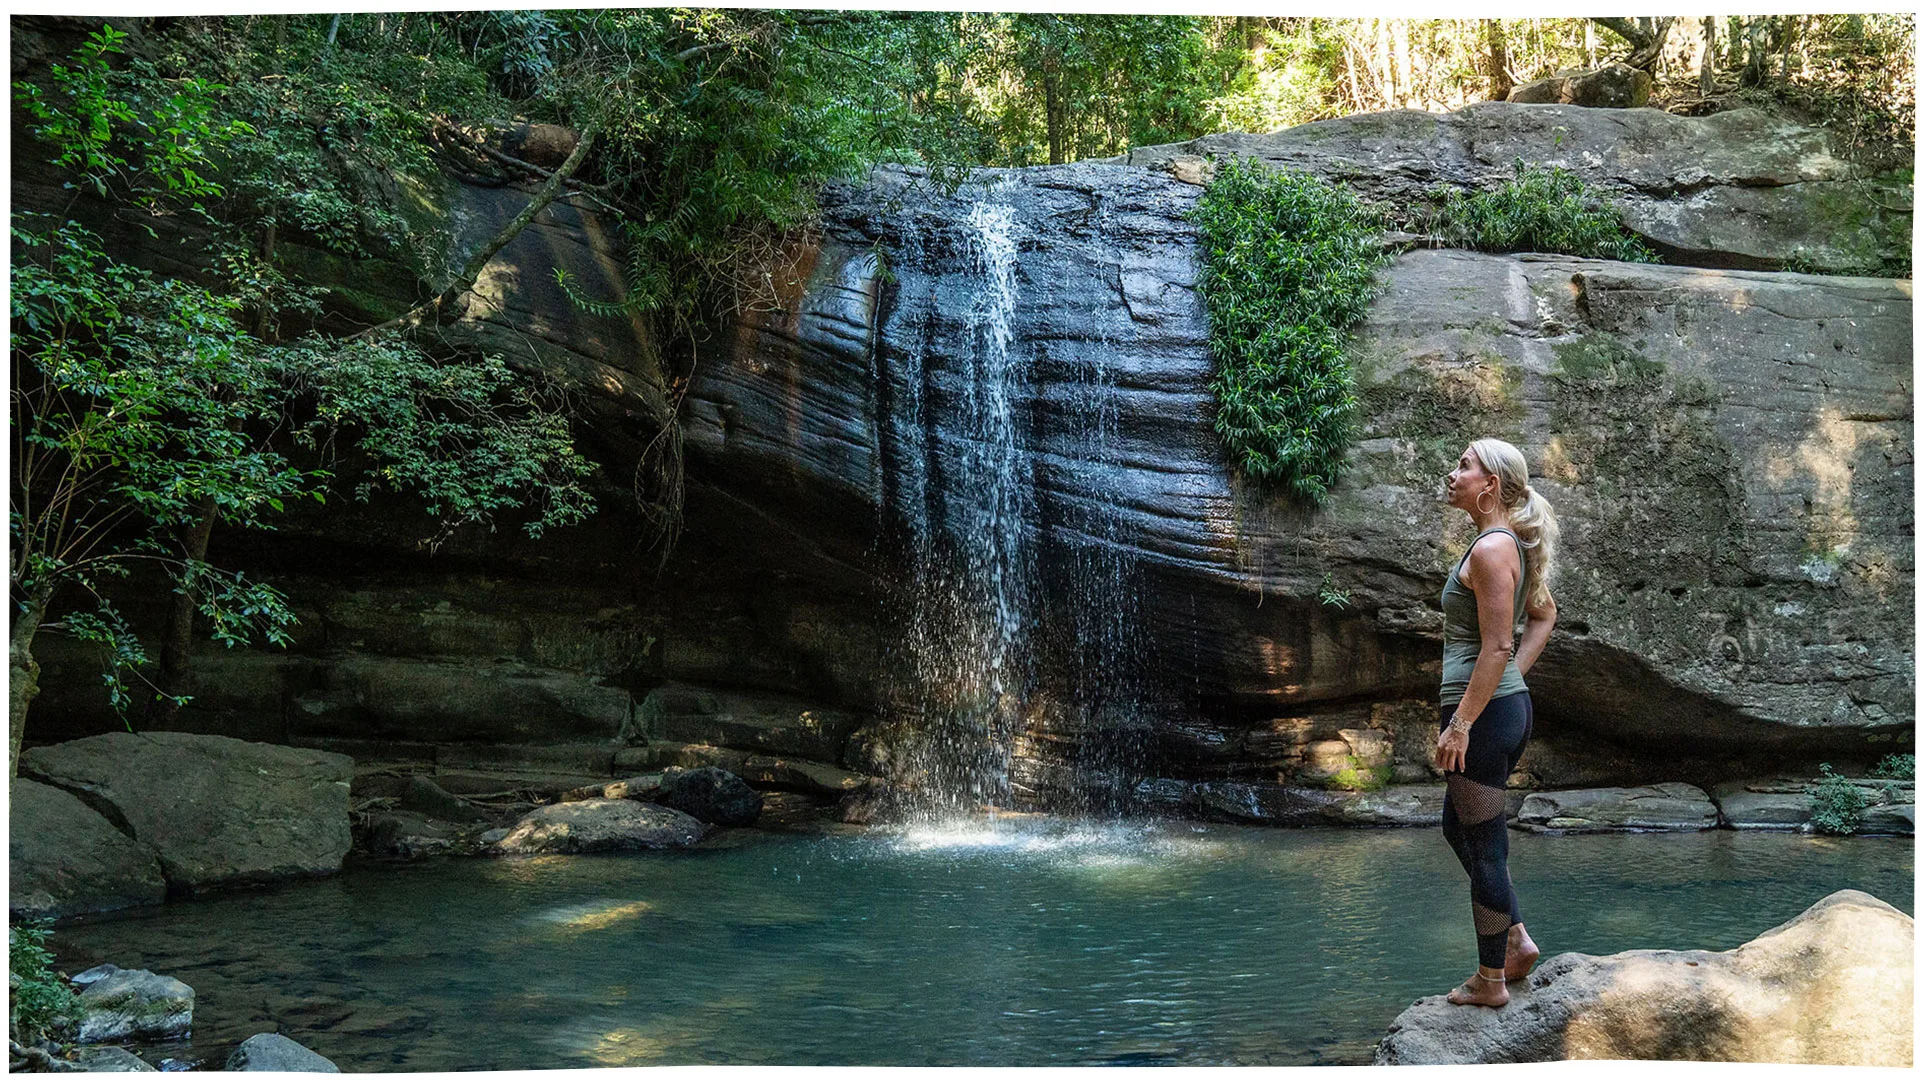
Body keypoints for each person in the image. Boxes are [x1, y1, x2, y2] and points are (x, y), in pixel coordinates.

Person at [1433, 438, 1560, 1008]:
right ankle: (1515, 938)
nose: (1454, 472)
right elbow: (1544, 616)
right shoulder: (1510, 544)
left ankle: (1491, 980)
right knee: (1458, 827)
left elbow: (1494, 647)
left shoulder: (1490, 550)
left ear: (1491, 485)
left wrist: (1460, 723)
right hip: (1503, 707)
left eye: (1466, 465)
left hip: (1482, 717)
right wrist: (1511, 678)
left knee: (1485, 846)